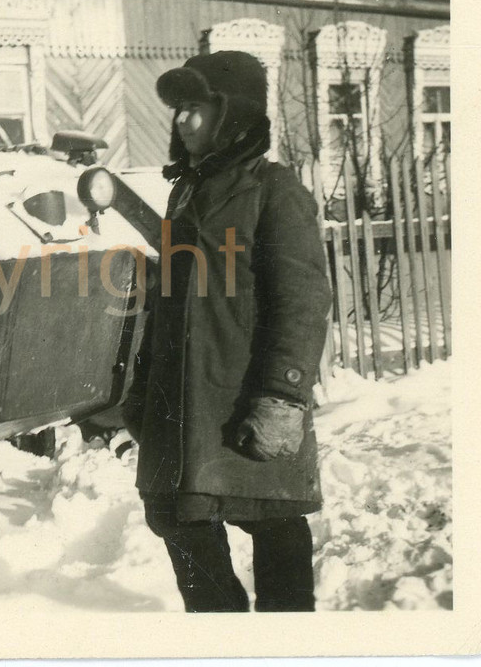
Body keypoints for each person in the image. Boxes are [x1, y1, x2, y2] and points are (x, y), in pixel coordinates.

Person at [121, 50, 332, 612]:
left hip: (243, 397)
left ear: (233, 114)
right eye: (179, 110)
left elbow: (304, 299)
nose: (182, 122)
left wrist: (285, 393)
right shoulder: (184, 193)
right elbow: (167, 305)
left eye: (196, 108)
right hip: (182, 407)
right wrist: (143, 391)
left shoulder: (275, 190)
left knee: (275, 528)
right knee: (182, 529)